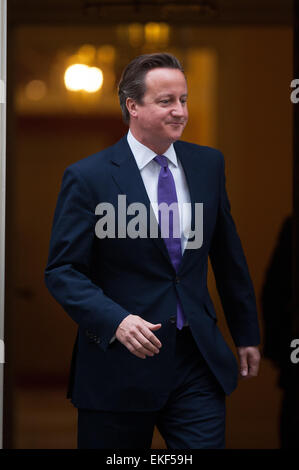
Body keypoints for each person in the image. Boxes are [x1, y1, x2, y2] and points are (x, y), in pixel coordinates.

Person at [45, 52, 261, 449]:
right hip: (119, 364)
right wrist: (117, 321)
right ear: (133, 106)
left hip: (196, 360)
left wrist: (246, 332)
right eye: (166, 101)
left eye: (184, 99)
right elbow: (62, 271)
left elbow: (228, 256)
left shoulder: (208, 165)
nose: (180, 111)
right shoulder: (88, 177)